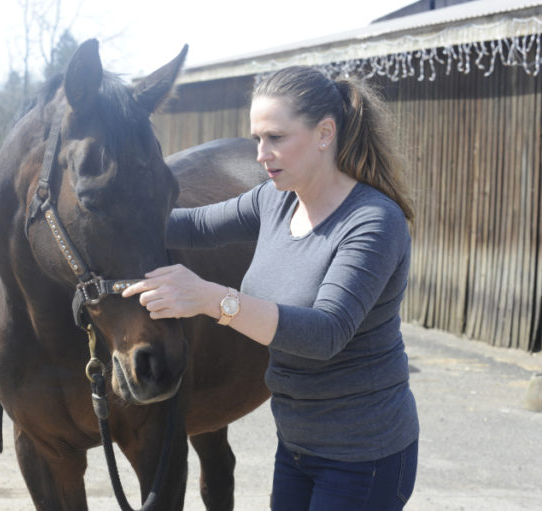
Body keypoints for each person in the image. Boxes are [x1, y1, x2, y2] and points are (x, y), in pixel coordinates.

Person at [122, 66, 419, 510]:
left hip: (364, 456)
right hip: (297, 445)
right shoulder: (275, 200)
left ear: (324, 133)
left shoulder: (372, 222)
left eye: (276, 138)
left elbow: (324, 335)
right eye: (258, 138)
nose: (262, 154)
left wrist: (210, 299)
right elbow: (193, 225)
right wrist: (101, 213)